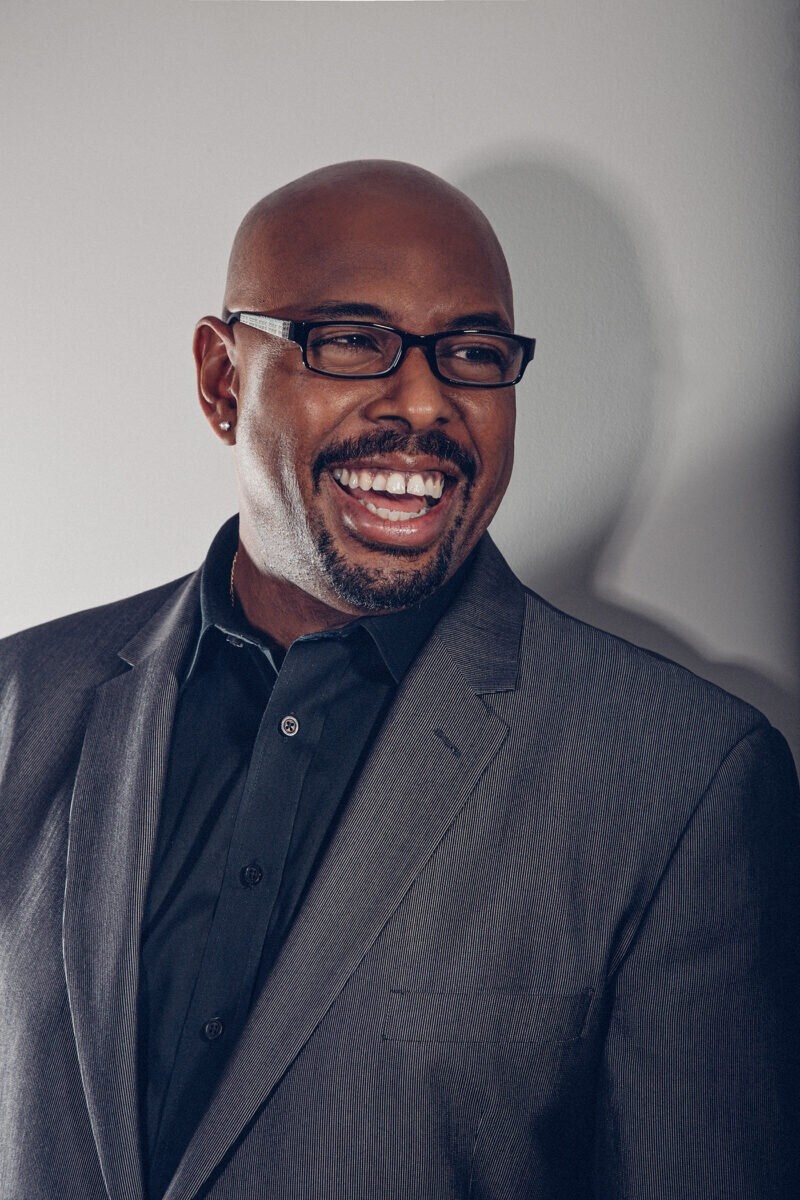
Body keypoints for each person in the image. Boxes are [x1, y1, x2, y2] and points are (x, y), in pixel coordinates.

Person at [0, 160, 797, 1200]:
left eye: (471, 353)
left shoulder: (681, 780)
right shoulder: (23, 703)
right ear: (219, 379)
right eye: (349, 340)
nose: (424, 402)